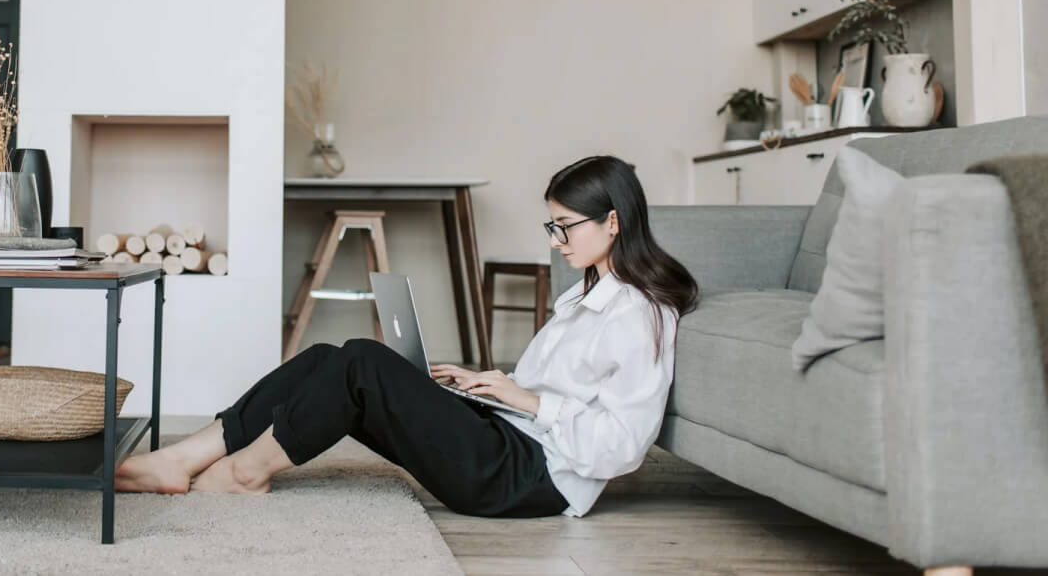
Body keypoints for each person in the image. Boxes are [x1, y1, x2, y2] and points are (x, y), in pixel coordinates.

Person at [115, 155, 698, 517]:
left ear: (612, 221)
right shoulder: (586, 296)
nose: (555, 240)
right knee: (326, 357)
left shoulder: (639, 316)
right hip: (508, 439)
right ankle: (189, 456)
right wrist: (488, 386)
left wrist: (525, 400)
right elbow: (552, 393)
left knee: (361, 363)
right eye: (553, 225)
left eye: (565, 226)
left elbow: (623, 447)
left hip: (531, 478)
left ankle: (246, 473)